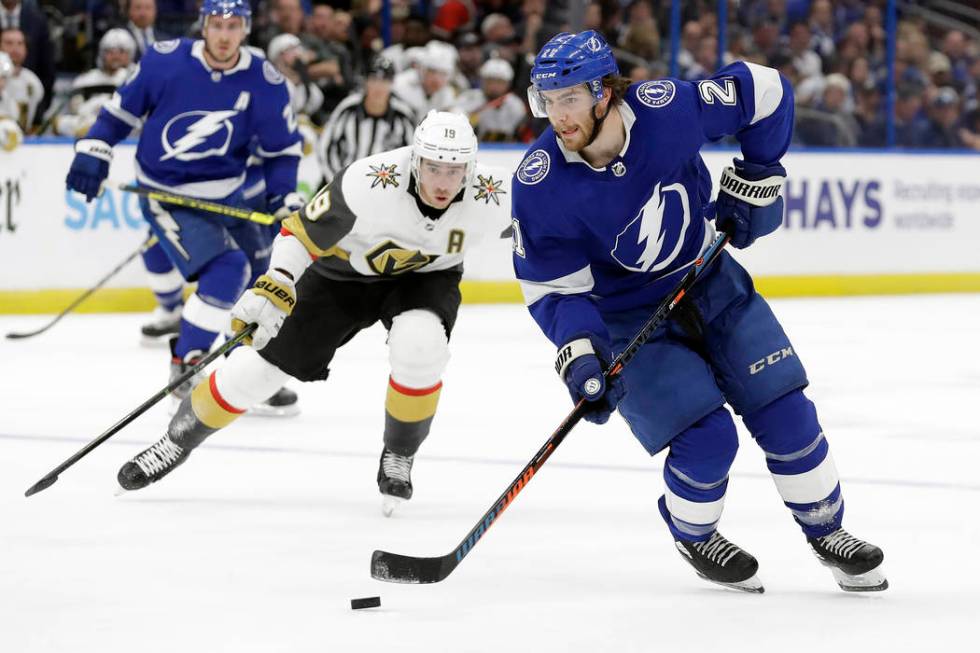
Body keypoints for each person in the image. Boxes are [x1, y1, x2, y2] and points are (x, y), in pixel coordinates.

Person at [511, 31, 887, 593]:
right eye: (548, 99)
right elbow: (555, 290)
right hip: (630, 321)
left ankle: (826, 530)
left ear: (603, 92)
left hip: (711, 280)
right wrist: (582, 355)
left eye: (569, 97)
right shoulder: (540, 184)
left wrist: (759, 172)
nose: (557, 115)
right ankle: (694, 533)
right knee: (707, 440)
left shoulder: (666, 110)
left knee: (786, 414)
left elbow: (765, 89)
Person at [115, 111, 512, 517]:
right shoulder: (369, 181)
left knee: (421, 347)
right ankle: (175, 441)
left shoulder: (495, 192)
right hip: (340, 276)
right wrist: (278, 284)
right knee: (255, 373)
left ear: (472, 167)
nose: (443, 182)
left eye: (454, 170)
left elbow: (551, 229)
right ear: (415, 160)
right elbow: (298, 233)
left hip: (427, 278)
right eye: (433, 167)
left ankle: (400, 452)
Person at [65, 0, 303, 413]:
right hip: (166, 193)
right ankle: (186, 362)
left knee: (260, 280)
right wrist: (95, 148)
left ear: (246, 28)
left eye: (234, 25)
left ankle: (245, 372)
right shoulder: (165, 61)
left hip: (230, 193)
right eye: (216, 24)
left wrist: (284, 195)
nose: (224, 35)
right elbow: (120, 113)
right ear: (203, 25)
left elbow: (281, 151)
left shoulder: (265, 80)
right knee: (228, 270)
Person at [317, 55, 416, 183]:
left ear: (392, 83)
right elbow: (326, 147)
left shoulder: (403, 116)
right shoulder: (348, 109)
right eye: (374, 79)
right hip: (343, 182)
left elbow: (412, 156)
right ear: (365, 81)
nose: (378, 86)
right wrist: (338, 182)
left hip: (386, 189)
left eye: (385, 80)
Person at [55, 29, 137, 138]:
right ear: (102, 53)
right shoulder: (85, 80)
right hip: (88, 133)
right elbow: (73, 112)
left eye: (121, 51)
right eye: (110, 51)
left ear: (131, 54)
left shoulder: (137, 79)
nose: (115, 56)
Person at [451, 57, 527, 142]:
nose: (494, 86)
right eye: (490, 81)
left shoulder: (516, 104)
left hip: (507, 150)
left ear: (508, 83)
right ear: (482, 80)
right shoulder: (469, 97)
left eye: (499, 82)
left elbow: (522, 133)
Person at [0, 28, 42, 130]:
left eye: (20, 43)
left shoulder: (33, 81)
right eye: (9, 43)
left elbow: (35, 121)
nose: (15, 48)